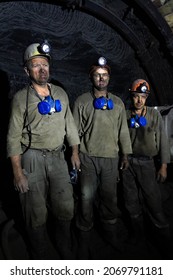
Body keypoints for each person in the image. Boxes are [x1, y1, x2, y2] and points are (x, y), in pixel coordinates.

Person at [6, 40, 80, 260]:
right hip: (32, 158)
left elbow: (71, 126)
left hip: (58, 156)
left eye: (45, 64)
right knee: (35, 212)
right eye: (36, 65)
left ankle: (64, 247)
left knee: (66, 206)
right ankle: (39, 254)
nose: (42, 69)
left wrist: (75, 152)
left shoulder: (61, 94)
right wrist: (18, 173)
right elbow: (12, 137)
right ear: (27, 70)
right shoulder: (20, 99)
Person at [72, 57, 132, 259]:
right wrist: (74, 154)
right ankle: (84, 240)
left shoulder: (117, 103)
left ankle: (111, 236)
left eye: (104, 75)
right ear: (91, 77)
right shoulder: (82, 101)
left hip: (110, 158)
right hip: (87, 157)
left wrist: (125, 154)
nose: (101, 78)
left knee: (109, 199)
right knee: (86, 200)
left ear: (109, 77)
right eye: (97, 74)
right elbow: (74, 132)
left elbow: (123, 131)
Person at [121, 78, 171, 256]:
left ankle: (164, 238)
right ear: (131, 96)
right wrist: (124, 157)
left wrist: (163, 165)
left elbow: (163, 140)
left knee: (154, 201)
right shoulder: (126, 115)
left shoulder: (153, 114)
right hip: (128, 164)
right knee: (131, 202)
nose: (139, 100)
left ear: (147, 97)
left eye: (143, 96)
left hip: (147, 163)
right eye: (136, 96)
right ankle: (138, 236)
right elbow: (122, 139)